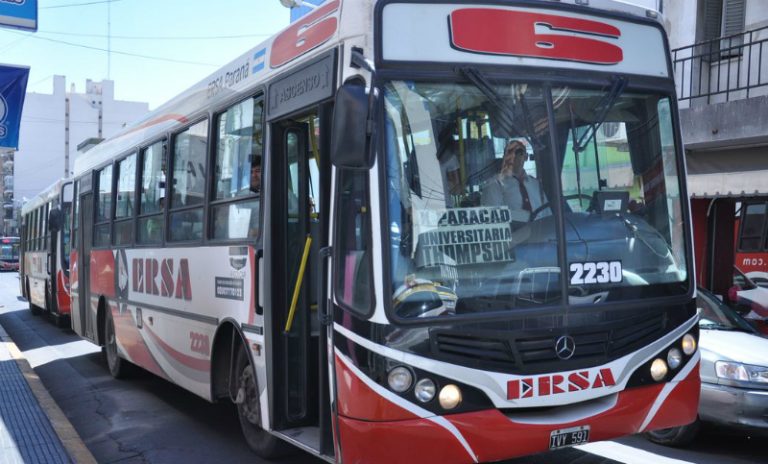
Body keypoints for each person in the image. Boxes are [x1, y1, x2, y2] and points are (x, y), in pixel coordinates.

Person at [482, 140, 547, 222]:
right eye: (510, 152)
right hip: (514, 230)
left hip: (542, 229)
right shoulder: (495, 184)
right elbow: (493, 215)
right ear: (505, 157)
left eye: (519, 153)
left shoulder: (536, 185)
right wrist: (526, 217)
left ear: (526, 157)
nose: (513, 156)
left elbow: (548, 214)